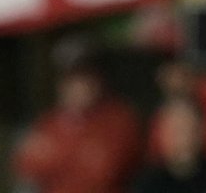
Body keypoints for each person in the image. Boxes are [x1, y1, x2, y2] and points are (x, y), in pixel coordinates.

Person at [10, 41, 144, 193]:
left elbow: (103, 173)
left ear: (100, 80)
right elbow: (25, 166)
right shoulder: (49, 121)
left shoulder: (120, 119)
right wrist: (77, 155)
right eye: (71, 79)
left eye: (85, 77)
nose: (79, 86)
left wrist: (54, 155)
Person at [132, 96, 206, 193]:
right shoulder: (147, 186)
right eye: (176, 129)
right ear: (162, 134)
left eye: (189, 128)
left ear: (202, 131)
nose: (184, 136)